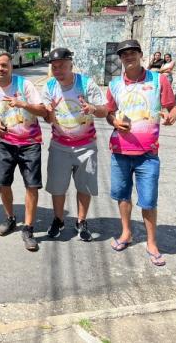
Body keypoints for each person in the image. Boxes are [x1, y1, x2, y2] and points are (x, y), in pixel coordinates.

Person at [106, 39, 176, 267]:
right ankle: (126, 233)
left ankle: (151, 242)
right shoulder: (114, 84)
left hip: (148, 154)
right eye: (124, 54)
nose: (128, 57)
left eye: (132, 52)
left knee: (148, 200)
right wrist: (115, 122)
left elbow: (173, 107)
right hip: (120, 150)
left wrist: (172, 115)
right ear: (120, 59)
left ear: (140, 54)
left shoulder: (159, 80)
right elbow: (109, 113)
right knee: (123, 195)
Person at [42, 48, 108, 242]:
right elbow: (47, 119)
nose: (58, 70)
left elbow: (105, 110)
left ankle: (81, 221)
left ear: (71, 64)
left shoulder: (86, 84)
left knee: (84, 186)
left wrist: (92, 108)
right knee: (57, 187)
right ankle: (58, 219)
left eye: (62, 66)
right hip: (59, 145)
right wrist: (50, 112)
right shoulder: (50, 86)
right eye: (54, 67)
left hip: (86, 145)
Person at [0, 51, 47, 251]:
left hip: (30, 143)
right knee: (3, 183)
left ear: (11, 66)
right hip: (6, 143)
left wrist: (23, 104)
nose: (1, 69)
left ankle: (28, 228)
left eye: (4, 65)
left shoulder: (24, 85)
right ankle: (10, 218)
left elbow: (42, 110)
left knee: (32, 185)